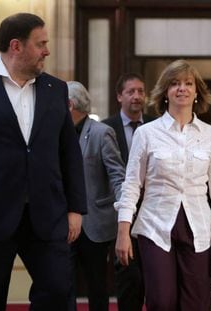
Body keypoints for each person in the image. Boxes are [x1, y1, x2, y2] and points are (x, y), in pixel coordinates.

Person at [0, 13, 87, 311]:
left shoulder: (56, 89)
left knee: (57, 290)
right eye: (41, 44)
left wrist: (76, 207)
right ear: (16, 46)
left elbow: (69, 152)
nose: (47, 51)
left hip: (47, 213)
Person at [114, 59, 211, 310]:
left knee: (195, 303)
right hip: (154, 226)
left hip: (198, 227)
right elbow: (131, 185)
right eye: (175, 83)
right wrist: (123, 231)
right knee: (161, 301)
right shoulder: (146, 133)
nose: (182, 88)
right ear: (165, 92)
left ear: (196, 92)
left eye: (188, 83)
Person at [67, 81, 125, 311]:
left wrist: (124, 215)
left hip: (95, 223)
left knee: (97, 285)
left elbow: (117, 175)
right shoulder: (57, 134)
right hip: (63, 222)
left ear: (69, 105)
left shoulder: (102, 133)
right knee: (63, 284)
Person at [102, 72, 154, 311]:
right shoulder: (105, 128)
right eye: (131, 91)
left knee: (154, 278)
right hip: (120, 215)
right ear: (119, 96)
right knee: (128, 278)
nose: (137, 96)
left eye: (141, 91)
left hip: (154, 213)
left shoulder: (157, 126)